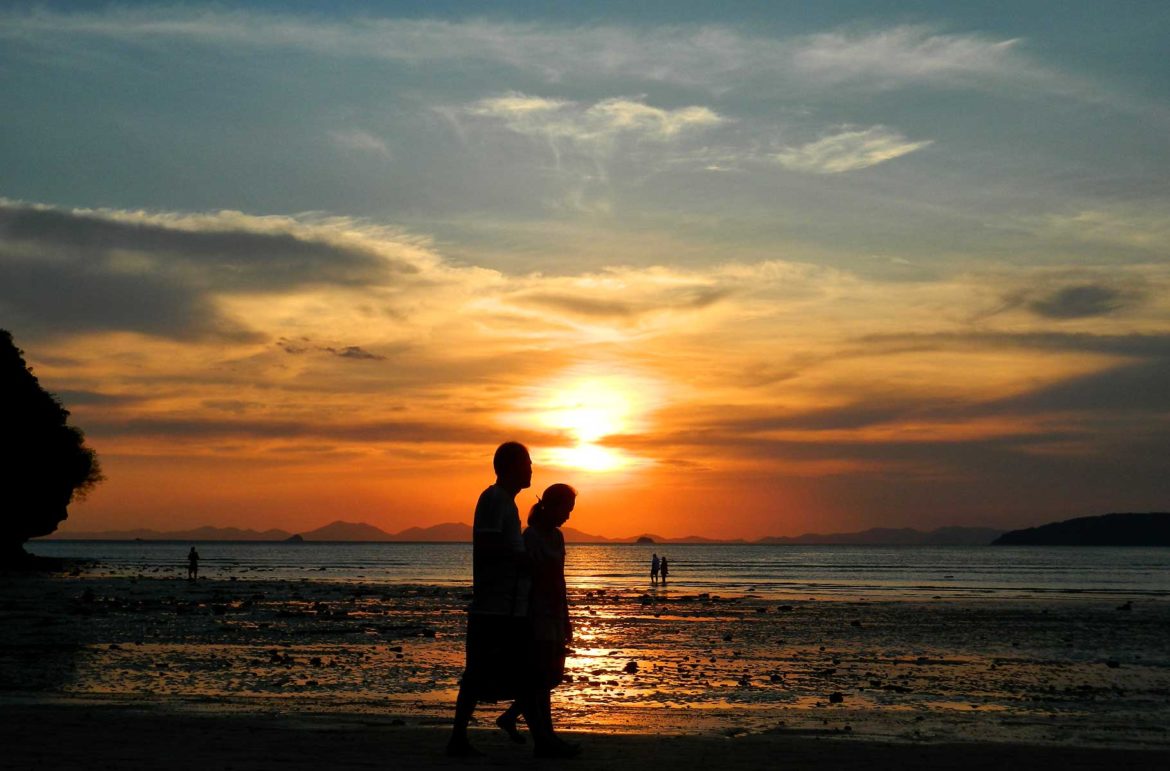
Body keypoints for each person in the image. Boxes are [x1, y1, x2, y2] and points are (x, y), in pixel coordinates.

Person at [447, 443, 577, 758]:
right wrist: (525, 561)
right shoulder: (493, 499)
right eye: (527, 463)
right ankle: (459, 739)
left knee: (524, 676)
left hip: (509, 606)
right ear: (511, 466)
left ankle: (542, 740)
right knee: (479, 673)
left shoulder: (508, 504)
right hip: (493, 605)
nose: (531, 469)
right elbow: (490, 547)